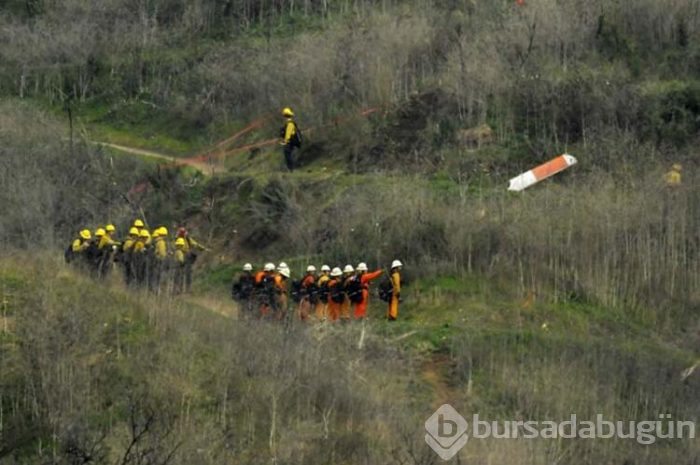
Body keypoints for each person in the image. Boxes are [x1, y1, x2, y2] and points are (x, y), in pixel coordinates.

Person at [176, 227, 208, 293]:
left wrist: (203, 248)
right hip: (184, 255)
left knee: (183, 273)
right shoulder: (182, 238)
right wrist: (203, 248)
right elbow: (195, 244)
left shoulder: (185, 238)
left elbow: (195, 244)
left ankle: (182, 289)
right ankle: (183, 289)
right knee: (185, 274)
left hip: (183, 256)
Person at [279, 107, 301, 171]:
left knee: (288, 154)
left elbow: (288, 135)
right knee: (288, 154)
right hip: (290, 142)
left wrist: (285, 141)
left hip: (291, 142)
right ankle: (290, 168)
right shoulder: (288, 123)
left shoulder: (290, 123)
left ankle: (291, 168)